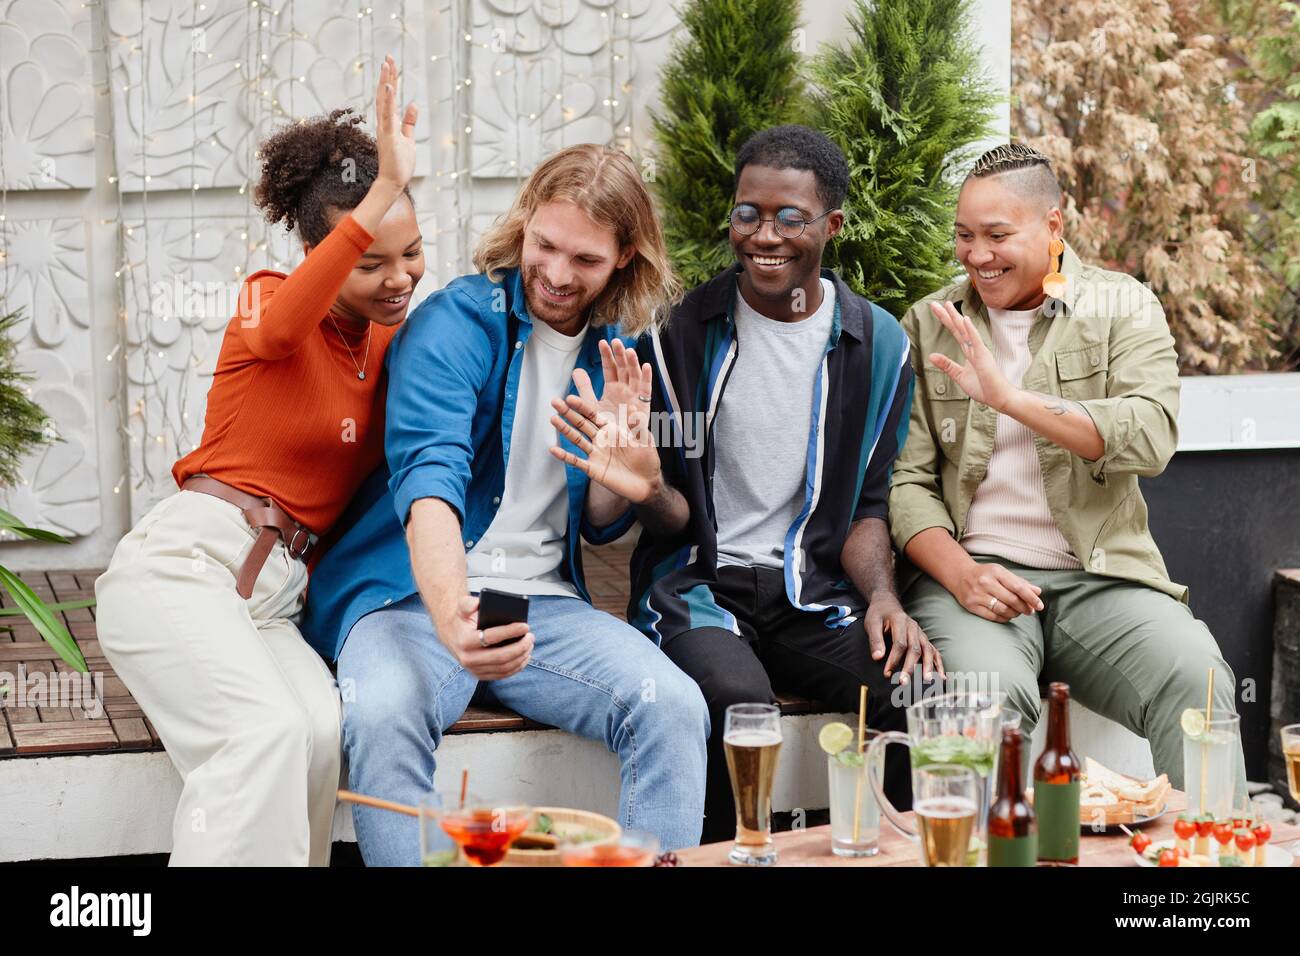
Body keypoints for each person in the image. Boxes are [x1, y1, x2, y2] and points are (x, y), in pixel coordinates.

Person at [300, 143, 710, 865]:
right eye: (544, 245)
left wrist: (622, 478)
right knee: (386, 710)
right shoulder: (455, 323)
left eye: (584, 260)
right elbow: (429, 484)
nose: (555, 273)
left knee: (675, 706)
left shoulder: (616, 352)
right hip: (411, 596)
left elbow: (596, 527)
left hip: (542, 607)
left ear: (624, 258)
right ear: (524, 225)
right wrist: (454, 614)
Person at [93, 57, 423, 865]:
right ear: (322, 253)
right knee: (263, 735)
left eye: (411, 252)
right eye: (369, 261)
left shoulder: (392, 345)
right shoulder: (265, 300)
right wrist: (379, 192)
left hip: (274, 598)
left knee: (315, 734)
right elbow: (281, 329)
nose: (399, 278)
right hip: (187, 567)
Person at [890, 142, 1246, 795]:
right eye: (964, 236)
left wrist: (1012, 400)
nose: (977, 254)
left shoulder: (1123, 307)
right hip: (975, 580)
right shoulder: (929, 322)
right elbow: (905, 482)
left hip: (1100, 579)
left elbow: (1151, 434)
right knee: (984, 701)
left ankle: (1212, 878)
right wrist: (962, 575)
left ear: (1054, 225)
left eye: (998, 235)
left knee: (1196, 678)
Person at [627, 125, 942, 844]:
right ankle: (724, 858)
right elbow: (670, 510)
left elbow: (866, 507)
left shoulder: (878, 344)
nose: (764, 233)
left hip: (812, 593)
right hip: (700, 586)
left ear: (831, 225)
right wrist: (644, 487)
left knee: (915, 688)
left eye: (789, 217)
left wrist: (884, 599)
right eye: (749, 213)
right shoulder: (679, 335)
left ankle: (887, 852)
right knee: (742, 706)